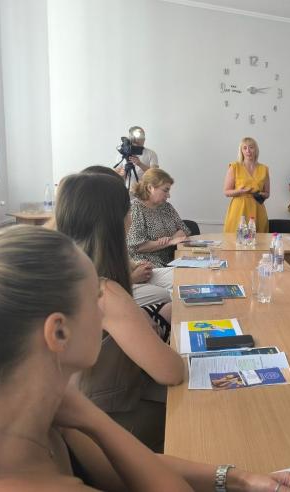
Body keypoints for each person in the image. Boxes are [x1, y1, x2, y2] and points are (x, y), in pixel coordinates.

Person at [0, 226, 290, 491]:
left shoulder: (44, 411)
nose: (103, 311)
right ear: (59, 332)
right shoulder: (25, 476)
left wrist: (241, 479)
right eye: (95, 299)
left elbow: (113, 467)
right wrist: (94, 418)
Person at [55, 173, 184, 449]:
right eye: (128, 211)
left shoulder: (63, 271)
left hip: (78, 409)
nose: (131, 219)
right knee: (200, 408)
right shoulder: (104, 292)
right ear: (118, 220)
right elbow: (172, 372)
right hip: (103, 422)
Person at [81, 165, 172, 306]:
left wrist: (136, 266)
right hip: (117, 286)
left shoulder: (109, 231)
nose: (129, 218)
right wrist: (132, 278)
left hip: (130, 276)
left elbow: (120, 262)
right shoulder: (92, 239)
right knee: (165, 295)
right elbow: (94, 288)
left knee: (178, 278)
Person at [127, 168, 191, 268]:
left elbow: (184, 231)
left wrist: (168, 239)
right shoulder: (135, 209)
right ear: (150, 188)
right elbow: (138, 246)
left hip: (172, 258)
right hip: (148, 263)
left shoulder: (166, 207)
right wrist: (170, 242)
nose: (168, 195)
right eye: (165, 190)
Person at [223, 137, 270, 233]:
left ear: (256, 149)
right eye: (244, 148)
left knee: (259, 238)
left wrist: (260, 194)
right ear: (241, 151)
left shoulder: (264, 168)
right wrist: (239, 191)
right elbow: (226, 192)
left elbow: (267, 193)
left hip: (258, 208)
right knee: (236, 238)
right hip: (239, 208)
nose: (248, 151)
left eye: (251, 147)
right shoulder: (234, 167)